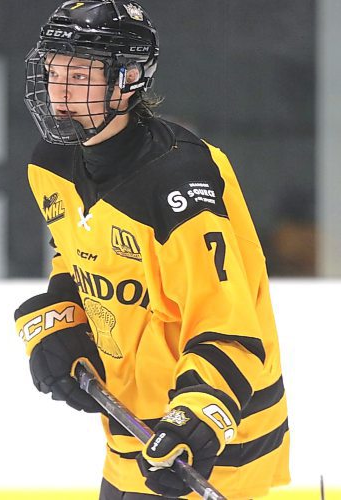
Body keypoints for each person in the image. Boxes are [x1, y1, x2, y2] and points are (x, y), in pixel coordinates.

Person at [15, 1, 290, 498]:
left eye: (79, 74)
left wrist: (197, 415)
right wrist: (64, 315)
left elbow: (229, 326)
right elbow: (78, 254)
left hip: (214, 444)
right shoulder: (50, 164)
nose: (60, 92)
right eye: (54, 71)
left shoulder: (177, 181)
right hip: (131, 440)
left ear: (128, 78)